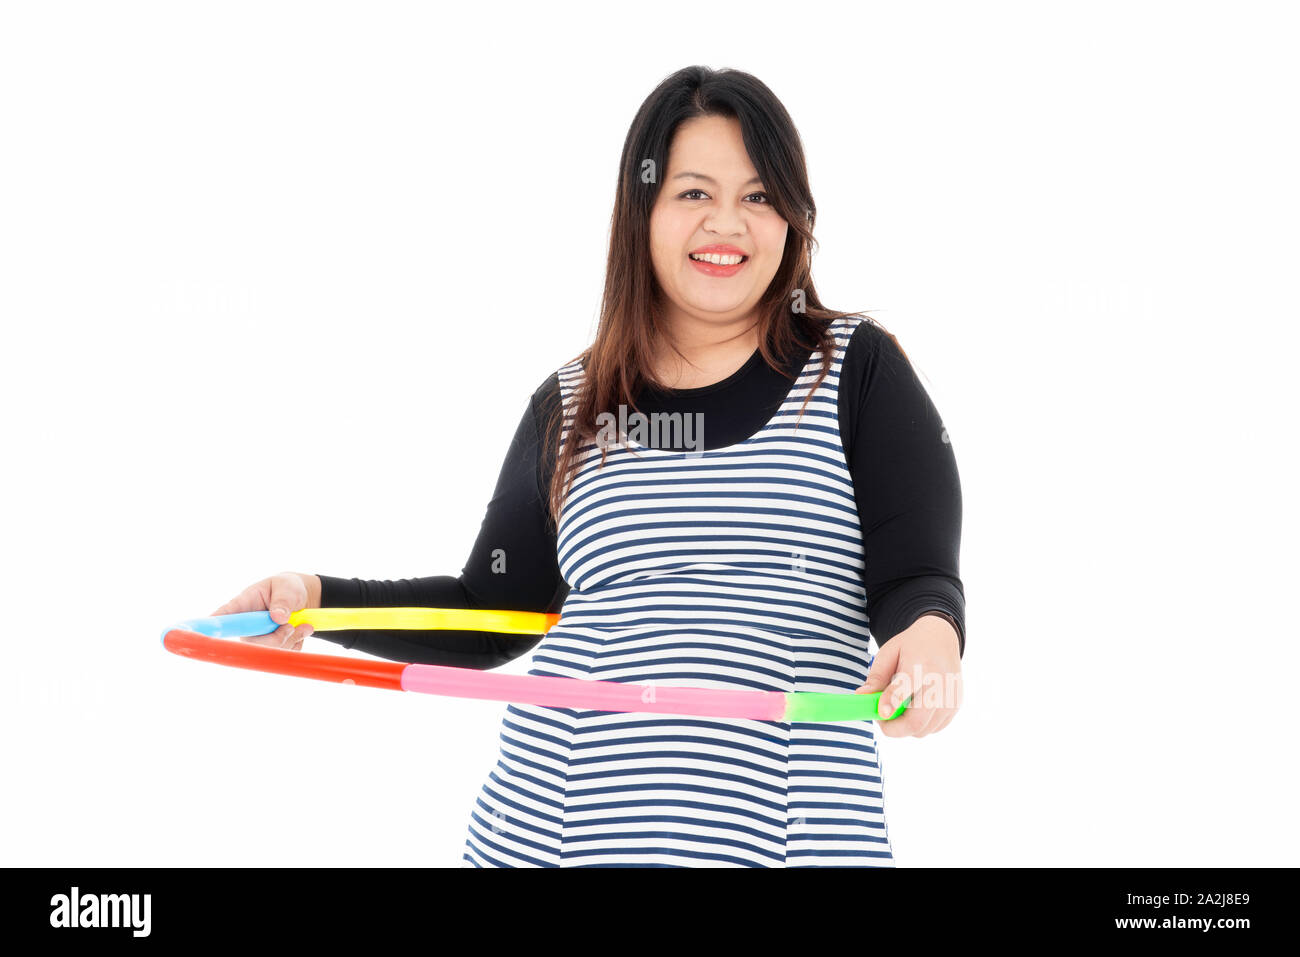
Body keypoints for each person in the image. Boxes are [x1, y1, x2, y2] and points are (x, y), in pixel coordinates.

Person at [211, 66, 965, 867]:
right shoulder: (569, 403)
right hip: (552, 830)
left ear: (793, 217)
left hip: (786, 836)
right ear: (641, 211)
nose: (727, 224)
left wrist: (930, 638)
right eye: (692, 194)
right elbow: (492, 607)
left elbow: (915, 573)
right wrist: (320, 603)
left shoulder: (857, 370)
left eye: (758, 196)